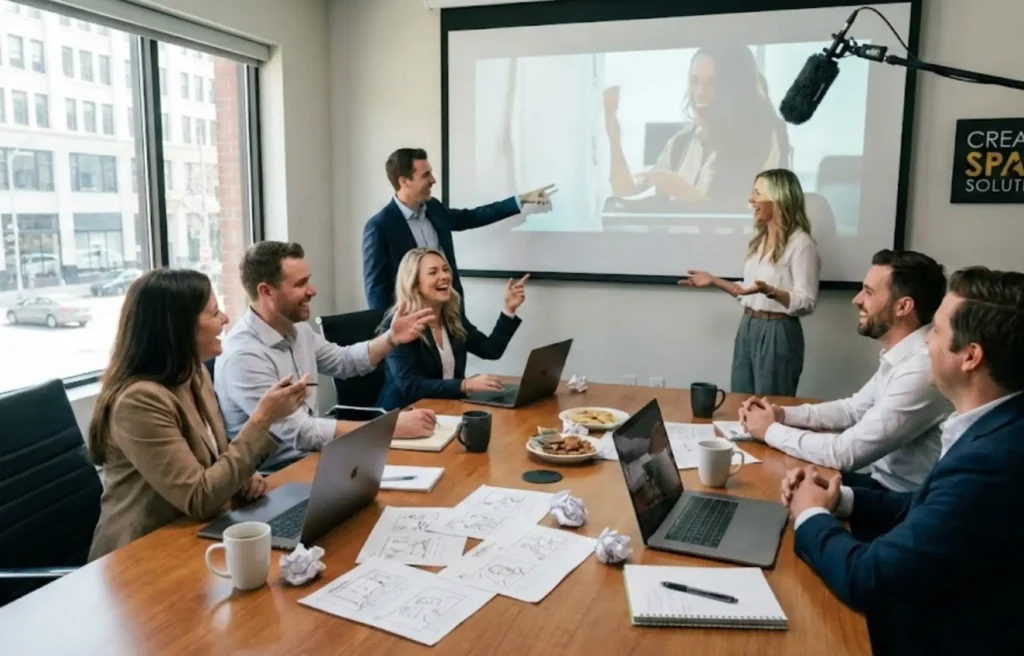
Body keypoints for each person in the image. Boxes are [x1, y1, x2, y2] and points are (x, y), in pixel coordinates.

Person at [781, 266, 1024, 654]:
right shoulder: (997, 428)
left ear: (970, 357)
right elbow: (927, 507)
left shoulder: (993, 463)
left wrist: (811, 514)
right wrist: (840, 500)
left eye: (937, 331)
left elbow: (867, 578)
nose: (925, 341)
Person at [87, 269, 309, 560]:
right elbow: (199, 498)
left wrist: (242, 476)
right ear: (179, 328)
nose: (225, 319)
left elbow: (212, 457)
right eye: (214, 313)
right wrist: (263, 419)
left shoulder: (194, 373)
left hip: (196, 532)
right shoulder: (138, 401)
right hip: (140, 556)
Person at [215, 241, 437, 473]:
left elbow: (345, 362)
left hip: (316, 457)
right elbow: (301, 434)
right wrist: (388, 428)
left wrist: (391, 338)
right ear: (266, 291)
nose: (312, 291)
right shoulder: (243, 356)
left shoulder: (297, 329)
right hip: (277, 475)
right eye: (300, 284)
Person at [739, 250, 951, 492]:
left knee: (771, 486)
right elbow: (853, 409)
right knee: (781, 481)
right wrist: (781, 415)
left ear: (903, 306)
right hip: (879, 483)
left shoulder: (921, 368)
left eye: (869, 292)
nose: (857, 300)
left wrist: (769, 430)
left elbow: (845, 454)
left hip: (901, 500)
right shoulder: (903, 355)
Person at [362, 147, 555, 311]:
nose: (433, 180)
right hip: (411, 321)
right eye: (426, 175)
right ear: (404, 181)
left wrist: (521, 200)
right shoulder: (379, 227)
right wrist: (389, 336)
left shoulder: (434, 208)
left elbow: (473, 217)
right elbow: (376, 291)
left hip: (450, 311)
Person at [683, 168, 820, 396]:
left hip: (778, 330)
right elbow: (747, 292)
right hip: (748, 326)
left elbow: (807, 302)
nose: (751, 199)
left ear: (778, 197)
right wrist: (715, 280)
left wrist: (772, 291)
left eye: (758, 192)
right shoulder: (759, 242)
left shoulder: (801, 244)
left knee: (769, 404)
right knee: (741, 400)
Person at [604, 45, 790, 205]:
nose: (700, 93)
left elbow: (763, 221)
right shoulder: (680, 144)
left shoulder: (765, 140)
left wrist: (686, 194)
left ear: (735, 89)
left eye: (712, 83)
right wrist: (613, 136)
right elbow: (628, 200)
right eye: (694, 82)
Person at [377, 248, 526, 409]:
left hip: (446, 407)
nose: (444, 276)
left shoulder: (453, 316)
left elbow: (490, 350)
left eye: (445, 270)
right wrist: (464, 385)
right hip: (403, 413)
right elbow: (410, 386)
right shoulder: (398, 326)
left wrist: (509, 310)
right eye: (433, 272)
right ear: (414, 284)